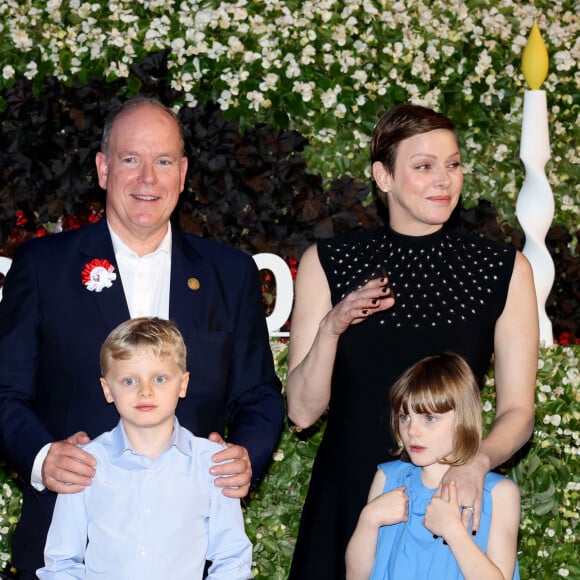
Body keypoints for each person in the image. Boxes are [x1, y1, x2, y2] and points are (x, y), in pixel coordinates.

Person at [0, 97, 284, 578]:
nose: (148, 178)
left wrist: (245, 456)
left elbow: (259, 395)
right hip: (68, 550)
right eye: (131, 159)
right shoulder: (43, 266)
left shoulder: (230, 274)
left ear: (183, 172)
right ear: (103, 168)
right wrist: (43, 457)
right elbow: (5, 390)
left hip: (194, 555)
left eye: (164, 161)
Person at [286, 104, 537, 578]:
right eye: (424, 166)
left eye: (454, 164)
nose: (445, 179)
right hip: (349, 497)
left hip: (449, 499)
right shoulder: (330, 262)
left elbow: (518, 412)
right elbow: (301, 412)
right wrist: (331, 328)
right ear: (384, 176)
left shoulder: (504, 270)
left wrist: (476, 465)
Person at [37, 317, 253, 579]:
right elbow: (61, 562)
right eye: (129, 381)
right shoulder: (84, 465)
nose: (145, 391)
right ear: (107, 389)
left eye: (160, 378)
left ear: (182, 384)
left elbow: (232, 558)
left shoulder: (213, 464)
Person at [345, 352, 520, 580]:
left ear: (463, 420)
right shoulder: (388, 479)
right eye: (404, 417)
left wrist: (454, 531)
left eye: (429, 418)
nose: (412, 431)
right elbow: (356, 575)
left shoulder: (499, 493)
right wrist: (368, 519)